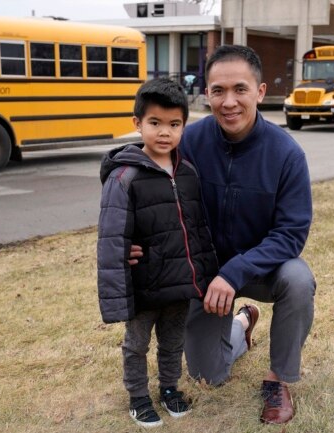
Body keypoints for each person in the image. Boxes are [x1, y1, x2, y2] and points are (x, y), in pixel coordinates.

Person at [181, 44, 315, 424]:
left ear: (260, 91)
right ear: (206, 93)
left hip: (260, 271)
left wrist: (234, 272)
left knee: (298, 279)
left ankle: (278, 379)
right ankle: (243, 322)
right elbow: (150, 191)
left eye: (240, 89)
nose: (229, 102)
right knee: (208, 376)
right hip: (206, 273)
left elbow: (290, 234)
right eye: (217, 91)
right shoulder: (189, 142)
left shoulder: (287, 155)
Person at [97, 78, 218, 428]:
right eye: (155, 123)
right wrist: (117, 295)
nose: (164, 132)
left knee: (173, 340)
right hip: (144, 283)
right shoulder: (124, 177)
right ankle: (137, 397)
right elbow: (112, 238)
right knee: (136, 344)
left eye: (174, 124)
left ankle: (169, 388)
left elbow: (198, 231)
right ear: (137, 123)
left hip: (180, 283)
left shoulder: (188, 173)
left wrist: (204, 277)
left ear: (184, 125)